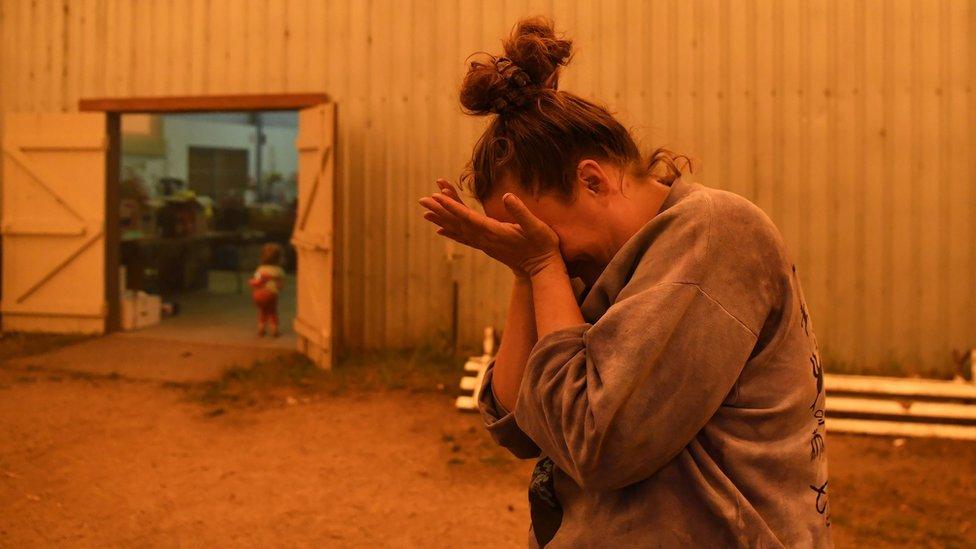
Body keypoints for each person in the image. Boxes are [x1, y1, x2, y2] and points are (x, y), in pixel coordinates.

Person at [418, 17, 832, 548]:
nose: (546, 250)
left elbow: (595, 442)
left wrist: (544, 266)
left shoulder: (713, 233)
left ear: (592, 180)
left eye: (543, 231)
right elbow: (523, 425)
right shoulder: (603, 266)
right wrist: (528, 271)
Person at [249, 243, 285, 337]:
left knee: (262, 312)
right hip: (271, 294)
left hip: (258, 294)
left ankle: (261, 329)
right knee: (272, 312)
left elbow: (256, 280)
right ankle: (274, 330)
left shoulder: (260, 269)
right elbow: (280, 285)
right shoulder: (279, 271)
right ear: (279, 258)